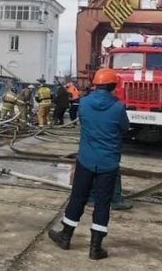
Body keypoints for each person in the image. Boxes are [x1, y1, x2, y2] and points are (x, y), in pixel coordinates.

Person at [48, 68, 129, 260]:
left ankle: (65, 236)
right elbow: (124, 128)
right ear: (113, 86)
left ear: (95, 84)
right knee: (102, 203)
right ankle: (95, 248)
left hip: (86, 159)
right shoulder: (118, 108)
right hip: (108, 163)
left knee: (78, 197)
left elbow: (83, 122)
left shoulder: (84, 103)